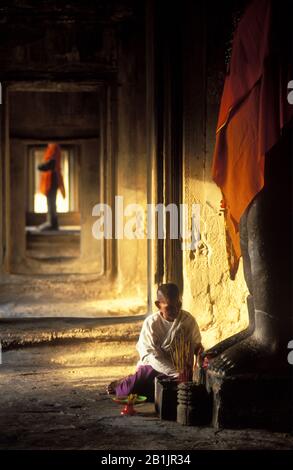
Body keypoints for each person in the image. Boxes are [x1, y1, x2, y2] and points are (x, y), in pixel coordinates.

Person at [106, 283, 203, 400]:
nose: (175, 310)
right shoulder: (151, 324)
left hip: (181, 371)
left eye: (178, 305)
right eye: (170, 308)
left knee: (173, 394)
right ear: (158, 305)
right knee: (129, 391)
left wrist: (200, 360)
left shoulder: (188, 321)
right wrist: (175, 373)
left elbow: (197, 346)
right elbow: (152, 357)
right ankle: (122, 383)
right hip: (155, 368)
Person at [38, 143, 66, 231]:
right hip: (51, 178)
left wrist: (41, 167)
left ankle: (52, 223)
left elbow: (52, 163)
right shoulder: (52, 147)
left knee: (51, 202)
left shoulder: (54, 147)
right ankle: (52, 223)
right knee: (51, 202)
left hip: (52, 178)